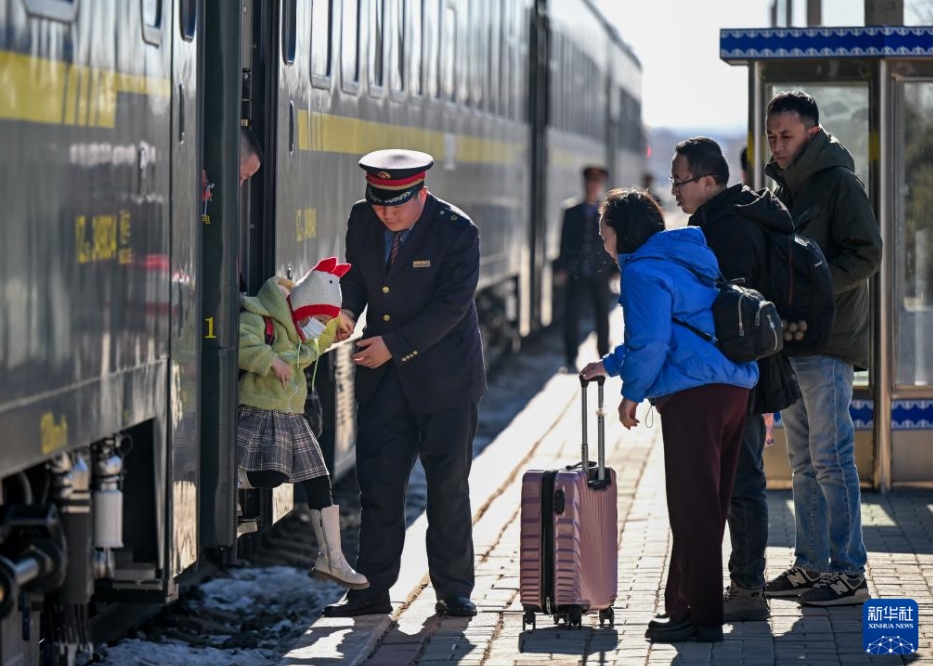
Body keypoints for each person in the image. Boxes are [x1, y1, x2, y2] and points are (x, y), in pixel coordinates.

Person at [581, 190, 759, 643]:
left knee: (691, 507)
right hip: (733, 388)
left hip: (694, 396)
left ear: (621, 233)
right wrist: (611, 363)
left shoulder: (641, 270)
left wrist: (631, 393)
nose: (603, 243)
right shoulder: (690, 256)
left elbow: (653, 343)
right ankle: (683, 607)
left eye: (605, 233)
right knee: (708, 505)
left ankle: (701, 618)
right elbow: (675, 327)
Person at [323, 149, 487, 618]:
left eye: (396, 204)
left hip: (447, 380)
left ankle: (453, 590)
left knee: (447, 487)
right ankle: (371, 589)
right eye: (379, 203)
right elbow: (356, 275)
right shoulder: (363, 219)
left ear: (422, 192)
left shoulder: (457, 231)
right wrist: (348, 311)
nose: (386, 213)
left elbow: (451, 307)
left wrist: (393, 345)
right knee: (379, 487)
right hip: (383, 380)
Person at [671, 136, 801, 622]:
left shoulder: (725, 228)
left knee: (742, 480)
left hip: (740, 372)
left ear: (708, 181)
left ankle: (746, 587)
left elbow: (731, 309)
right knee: (738, 477)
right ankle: (743, 583)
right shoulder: (727, 217)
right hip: (744, 370)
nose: (675, 191)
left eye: (679, 180)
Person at [763, 90, 882, 606]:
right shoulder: (784, 190)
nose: (778, 145)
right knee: (803, 461)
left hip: (829, 343)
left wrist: (813, 289)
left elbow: (867, 254)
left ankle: (849, 572)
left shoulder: (839, 185)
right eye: (772, 136)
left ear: (812, 133)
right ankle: (810, 566)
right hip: (794, 343)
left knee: (832, 459)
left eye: (786, 136)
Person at [237, 258, 368, 590]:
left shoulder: (303, 331)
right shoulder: (260, 316)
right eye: (321, 318)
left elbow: (314, 347)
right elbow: (241, 342)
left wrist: (336, 330)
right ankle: (232, 477)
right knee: (272, 476)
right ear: (304, 308)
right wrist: (270, 360)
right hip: (260, 412)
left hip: (291, 416)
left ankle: (332, 559)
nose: (321, 326)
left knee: (319, 481)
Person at [555, 166, 616, 372]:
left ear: (600, 186)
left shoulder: (607, 212)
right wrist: (562, 267)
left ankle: (604, 357)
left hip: (600, 272)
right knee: (571, 315)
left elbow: (614, 240)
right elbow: (563, 242)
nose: (592, 187)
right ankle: (570, 357)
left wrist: (616, 268)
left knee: (602, 316)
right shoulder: (571, 211)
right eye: (590, 183)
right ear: (584, 185)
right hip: (576, 272)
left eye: (596, 183)